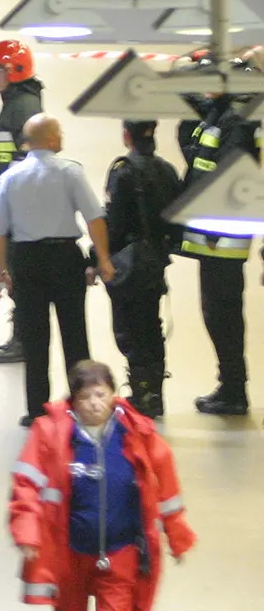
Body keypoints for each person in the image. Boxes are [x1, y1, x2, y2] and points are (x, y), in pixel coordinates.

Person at [10, 360, 196, 611]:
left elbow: (167, 489)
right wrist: (28, 534)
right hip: (69, 556)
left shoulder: (138, 434)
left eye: (101, 394)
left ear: (114, 394)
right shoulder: (49, 435)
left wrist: (177, 535)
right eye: (85, 396)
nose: (95, 403)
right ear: (72, 400)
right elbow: (26, 487)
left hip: (122, 551)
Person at [0, 114, 115, 426]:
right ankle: (82, 404)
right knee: (75, 335)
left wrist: (1, 271)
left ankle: (37, 410)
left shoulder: (10, 177)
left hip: (27, 260)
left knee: (34, 338)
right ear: (53, 139)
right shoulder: (70, 172)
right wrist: (104, 259)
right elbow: (94, 218)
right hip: (65, 257)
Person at [174, 56, 261, 416]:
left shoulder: (237, 122)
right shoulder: (225, 111)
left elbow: (226, 179)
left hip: (221, 235)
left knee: (222, 313)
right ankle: (230, 385)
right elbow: (197, 106)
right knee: (218, 310)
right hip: (215, 232)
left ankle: (233, 390)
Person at [101, 120, 183, 417]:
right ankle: (154, 394)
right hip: (155, 261)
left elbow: (114, 224)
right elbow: (177, 221)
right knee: (151, 326)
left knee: (130, 329)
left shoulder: (122, 171)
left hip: (129, 263)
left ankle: (141, 395)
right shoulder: (167, 170)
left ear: (126, 136)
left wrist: (98, 258)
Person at [0, 39, 45, 365]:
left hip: (17, 210)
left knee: (20, 276)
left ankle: (23, 340)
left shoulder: (23, 108)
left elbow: (26, 164)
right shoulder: (19, 104)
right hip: (13, 207)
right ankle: (22, 338)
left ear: (11, 71)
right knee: (16, 273)